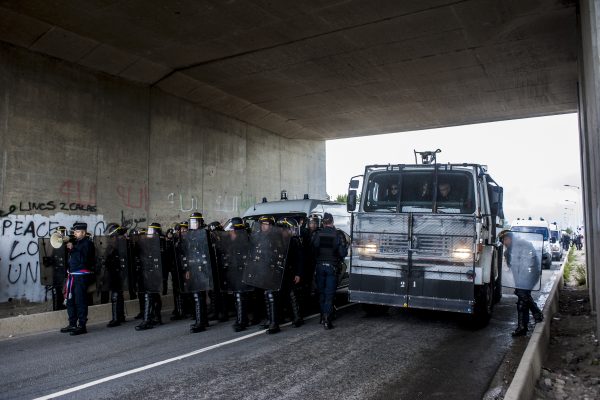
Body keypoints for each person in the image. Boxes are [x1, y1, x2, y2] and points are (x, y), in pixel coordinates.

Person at [500, 230, 543, 337]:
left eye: (506, 239)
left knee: (522, 298)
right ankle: (527, 323)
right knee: (522, 298)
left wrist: (524, 277)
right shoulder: (508, 252)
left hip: (530, 274)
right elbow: (511, 267)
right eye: (503, 240)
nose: (505, 242)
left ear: (511, 237)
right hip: (520, 277)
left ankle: (527, 322)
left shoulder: (524, 244)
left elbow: (531, 261)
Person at [311, 212, 348, 330]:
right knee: (329, 295)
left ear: (323, 222)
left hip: (320, 267)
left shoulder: (318, 234)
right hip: (331, 267)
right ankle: (327, 319)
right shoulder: (337, 234)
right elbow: (342, 253)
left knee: (321, 293)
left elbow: (313, 250)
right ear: (332, 222)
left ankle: (322, 316)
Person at [60, 222, 95, 336]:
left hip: (81, 276)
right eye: (74, 231)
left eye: (77, 231)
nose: (75, 233)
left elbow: (84, 260)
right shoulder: (76, 243)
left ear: (83, 232)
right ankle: (72, 323)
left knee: (80, 301)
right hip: (72, 275)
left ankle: (82, 325)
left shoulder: (88, 244)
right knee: (70, 301)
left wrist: (73, 249)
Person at [103, 223, 128, 327]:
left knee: (116, 295)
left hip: (119, 271)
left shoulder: (121, 243)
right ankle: (120, 316)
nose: (111, 238)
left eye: (113, 236)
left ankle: (116, 318)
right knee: (118, 294)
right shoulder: (112, 245)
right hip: (113, 271)